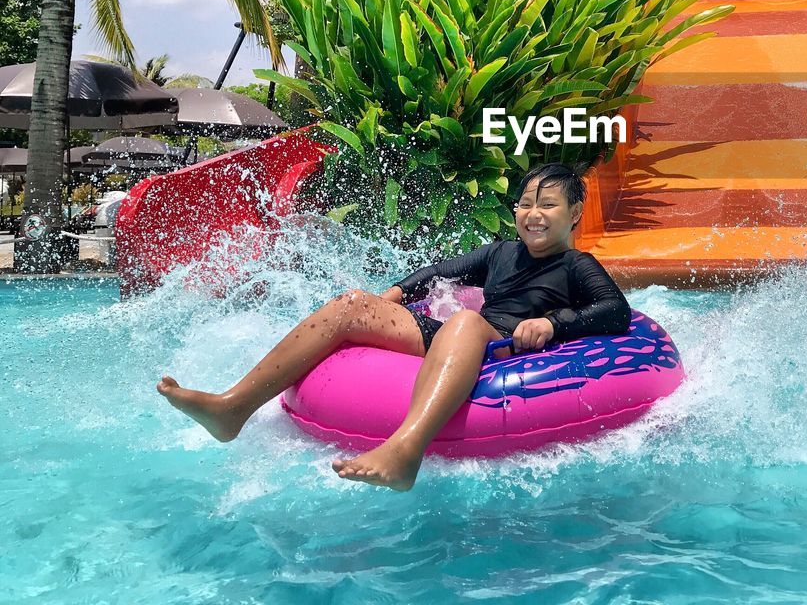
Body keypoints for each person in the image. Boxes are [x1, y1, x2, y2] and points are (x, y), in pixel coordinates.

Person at [157, 163, 630, 491]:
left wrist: (551, 323)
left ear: (573, 215)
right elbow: (442, 271)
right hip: (462, 339)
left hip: (511, 348)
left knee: (465, 321)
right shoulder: (501, 252)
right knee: (350, 305)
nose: (534, 214)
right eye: (526, 203)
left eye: (548, 205)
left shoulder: (576, 265)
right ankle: (232, 407)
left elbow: (615, 311)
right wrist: (395, 296)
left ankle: (404, 452)